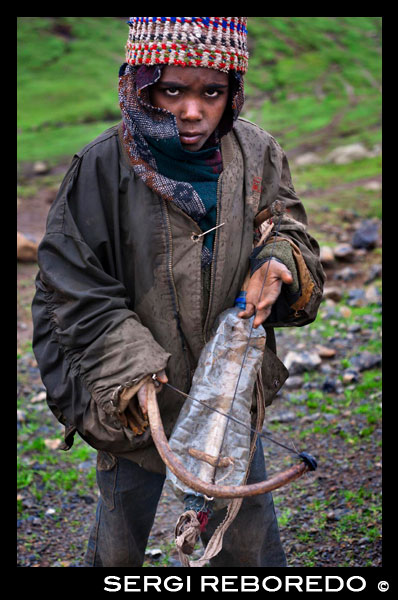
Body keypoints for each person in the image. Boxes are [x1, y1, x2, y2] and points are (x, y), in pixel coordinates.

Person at [32, 17, 325, 567]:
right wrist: (132, 369)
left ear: (231, 92)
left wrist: (277, 265)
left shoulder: (256, 154)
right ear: (141, 86)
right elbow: (68, 284)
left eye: (211, 92)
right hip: (136, 400)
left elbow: (289, 229)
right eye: (172, 91)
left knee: (248, 543)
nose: (192, 112)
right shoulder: (101, 166)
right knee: (119, 544)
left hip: (229, 392)